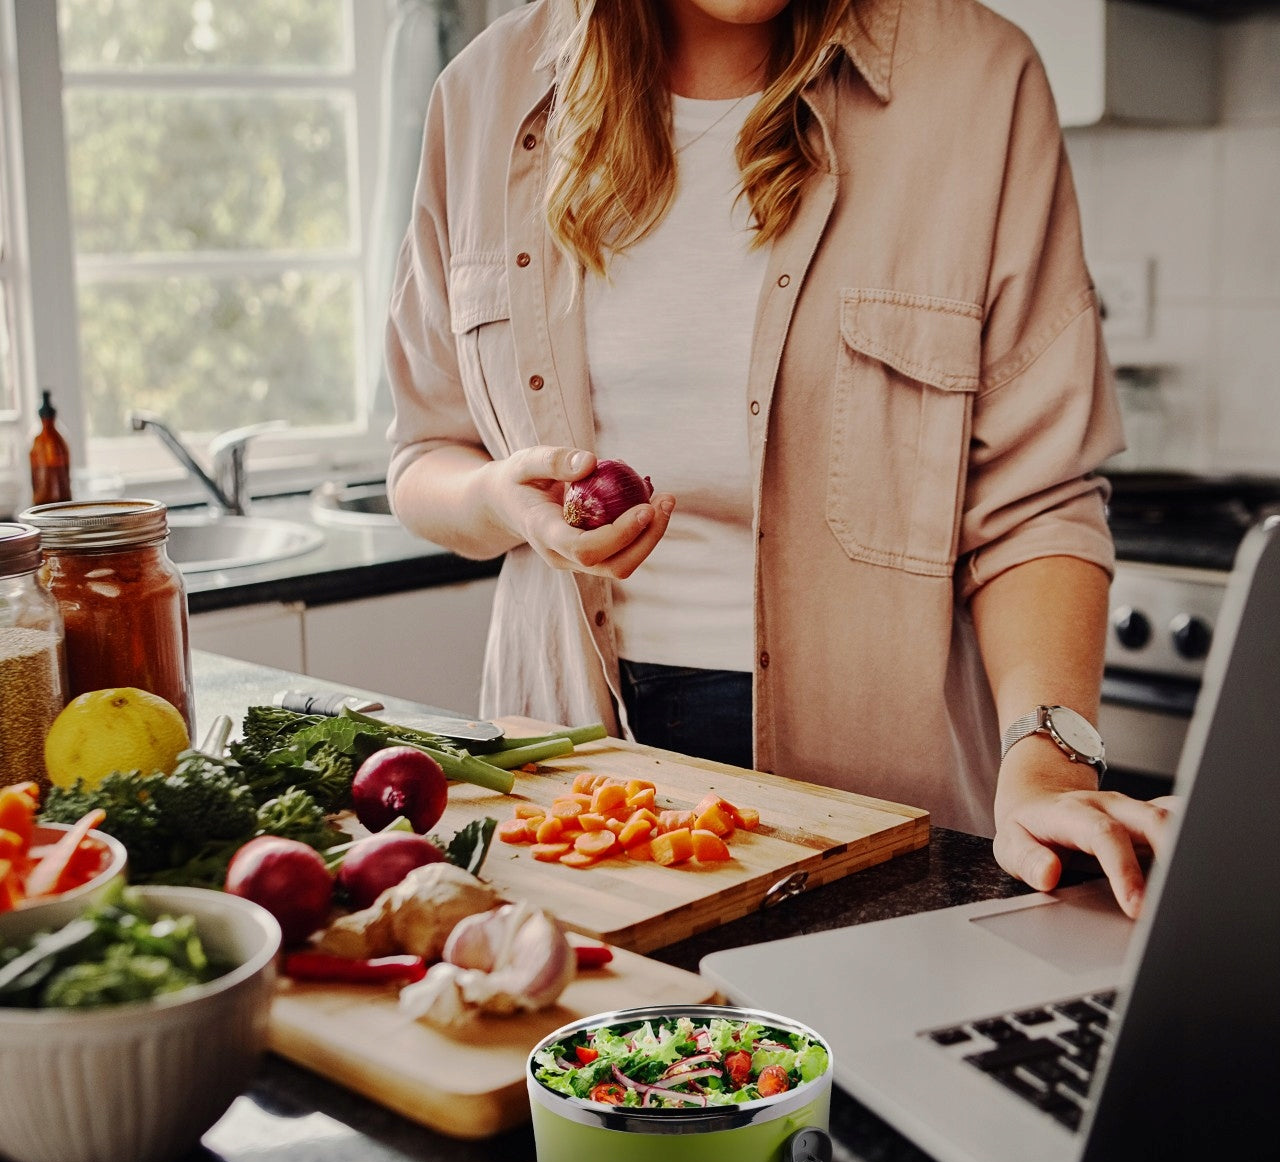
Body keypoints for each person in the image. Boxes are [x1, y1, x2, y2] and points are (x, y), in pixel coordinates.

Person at [384, 0, 1175, 918]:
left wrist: (1046, 767)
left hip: (882, 812)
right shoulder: (480, 96)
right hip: (575, 802)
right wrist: (496, 498)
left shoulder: (981, 81)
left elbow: (1036, 502)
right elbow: (422, 456)